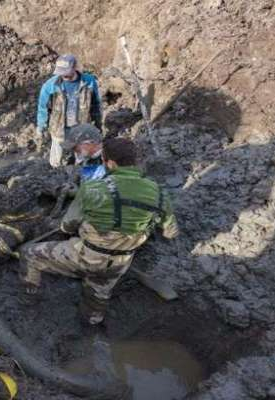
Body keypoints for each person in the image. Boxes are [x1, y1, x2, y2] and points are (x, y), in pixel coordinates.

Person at [19, 137, 179, 325]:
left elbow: (67, 226)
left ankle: (28, 300)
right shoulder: (159, 193)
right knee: (98, 296)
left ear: (110, 163)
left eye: (103, 160)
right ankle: (92, 322)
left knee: (29, 254)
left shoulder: (94, 188)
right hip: (120, 264)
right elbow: (170, 232)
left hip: (86, 257)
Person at [36, 54, 102, 168]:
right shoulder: (50, 86)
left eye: (66, 71)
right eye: (60, 72)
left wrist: (98, 124)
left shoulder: (89, 82)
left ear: (75, 67)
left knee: (82, 159)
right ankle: (56, 174)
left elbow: (96, 104)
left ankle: (79, 175)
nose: (63, 75)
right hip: (59, 128)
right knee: (56, 161)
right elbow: (42, 108)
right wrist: (40, 127)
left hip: (81, 127)